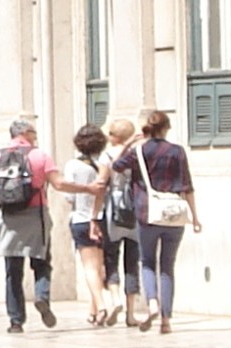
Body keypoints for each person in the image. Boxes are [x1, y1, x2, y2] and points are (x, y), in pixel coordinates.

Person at [103, 108, 199, 334]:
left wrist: (129, 144)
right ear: (165, 128)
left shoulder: (139, 151)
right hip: (173, 214)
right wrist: (195, 216)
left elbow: (115, 166)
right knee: (167, 266)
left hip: (147, 212)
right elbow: (187, 185)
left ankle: (152, 303)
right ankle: (165, 320)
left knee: (147, 262)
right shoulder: (177, 152)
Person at [0, 116, 54, 333]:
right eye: (33, 132)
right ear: (24, 133)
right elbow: (57, 182)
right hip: (36, 215)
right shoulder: (40, 156)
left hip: (8, 218)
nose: (35, 136)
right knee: (42, 262)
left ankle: (16, 321)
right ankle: (41, 296)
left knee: (13, 271)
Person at [50, 124, 115, 326]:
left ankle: (103, 305)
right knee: (99, 266)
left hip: (81, 219)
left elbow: (69, 196)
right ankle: (93, 311)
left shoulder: (73, 165)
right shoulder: (105, 164)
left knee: (89, 268)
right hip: (103, 218)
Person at [95, 113, 145, 331]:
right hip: (134, 210)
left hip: (112, 210)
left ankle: (115, 299)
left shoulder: (106, 156)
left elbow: (101, 184)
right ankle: (131, 314)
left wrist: (93, 215)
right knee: (132, 261)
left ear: (115, 136)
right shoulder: (139, 153)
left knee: (111, 257)